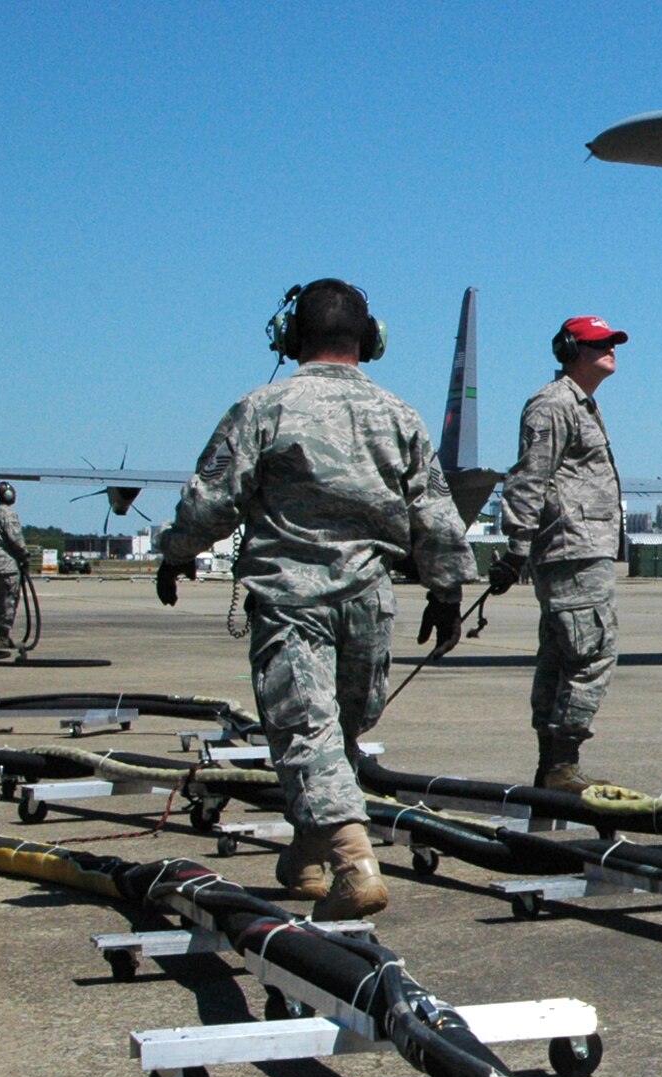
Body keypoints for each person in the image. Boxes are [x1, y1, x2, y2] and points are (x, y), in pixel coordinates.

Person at [157, 279, 476, 920]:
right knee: (336, 736)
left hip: (291, 603)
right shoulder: (401, 415)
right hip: (369, 602)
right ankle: (309, 855)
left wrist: (176, 551)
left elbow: (211, 499)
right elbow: (437, 514)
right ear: (370, 340)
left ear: (291, 337)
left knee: (309, 733)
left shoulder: (262, 408)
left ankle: (354, 863)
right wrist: (446, 591)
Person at [488, 316, 627, 793]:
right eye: (599, 344)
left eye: (612, 342)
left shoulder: (583, 405)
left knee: (562, 655)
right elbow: (530, 477)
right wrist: (516, 545)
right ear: (571, 349)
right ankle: (561, 764)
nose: (611, 350)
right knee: (592, 652)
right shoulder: (553, 406)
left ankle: (553, 766)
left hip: (583, 547)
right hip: (572, 548)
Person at [0, 483, 30, 650]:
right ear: (9, 495)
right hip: (8, 566)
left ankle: (1, 634)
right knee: (8, 601)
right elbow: (15, 538)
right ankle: (3, 636)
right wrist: (24, 556)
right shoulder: (8, 514)